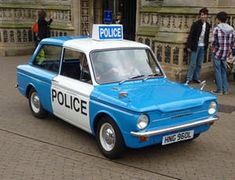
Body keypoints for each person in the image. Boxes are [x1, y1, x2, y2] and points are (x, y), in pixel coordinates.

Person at [211, 11, 235, 95]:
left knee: (217, 70)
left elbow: (213, 41)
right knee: (223, 70)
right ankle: (225, 89)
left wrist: (214, 50)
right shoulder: (231, 29)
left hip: (218, 52)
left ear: (218, 19)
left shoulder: (217, 29)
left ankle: (219, 90)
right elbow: (233, 42)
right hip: (226, 52)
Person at [185, 8, 210, 85]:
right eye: (202, 15)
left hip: (203, 46)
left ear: (207, 16)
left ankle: (196, 78)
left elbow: (207, 36)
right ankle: (189, 78)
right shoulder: (196, 24)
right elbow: (191, 35)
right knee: (192, 63)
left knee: (199, 64)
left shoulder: (208, 25)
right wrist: (188, 46)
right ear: (200, 16)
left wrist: (206, 46)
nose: (203, 16)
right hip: (195, 46)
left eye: (205, 15)